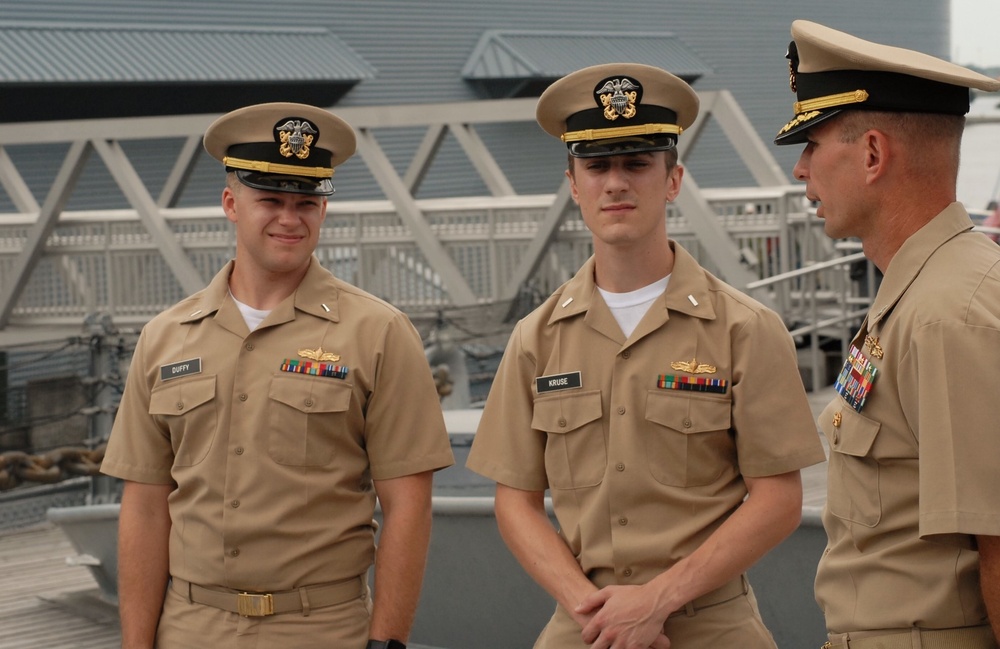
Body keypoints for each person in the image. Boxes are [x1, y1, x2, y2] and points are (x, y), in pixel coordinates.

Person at [466, 62, 827, 649]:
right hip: (585, 621)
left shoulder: (745, 330)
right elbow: (515, 501)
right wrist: (600, 611)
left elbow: (779, 499)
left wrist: (656, 601)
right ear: (573, 182)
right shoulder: (537, 338)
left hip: (712, 625)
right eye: (597, 165)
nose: (616, 183)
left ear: (673, 179)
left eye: (637, 163)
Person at [100, 102, 454, 649]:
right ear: (230, 204)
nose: (290, 219)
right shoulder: (164, 337)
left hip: (322, 629)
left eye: (306, 202)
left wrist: (387, 643)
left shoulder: (379, 333)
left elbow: (408, 504)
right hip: (190, 628)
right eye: (269, 200)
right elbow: (145, 506)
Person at [773, 20, 1000, 648]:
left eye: (813, 145)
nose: (800, 170)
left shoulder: (948, 313)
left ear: (872, 154)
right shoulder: (921, 292)